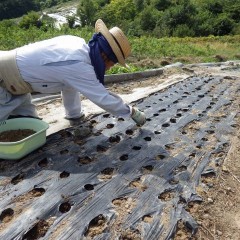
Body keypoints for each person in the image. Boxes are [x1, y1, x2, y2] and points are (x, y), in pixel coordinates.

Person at [0, 19, 146, 126]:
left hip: (17, 84)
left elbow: (68, 85)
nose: (110, 68)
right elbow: (102, 97)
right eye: (112, 63)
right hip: (4, 80)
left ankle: (73, 113)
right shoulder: (78, 65)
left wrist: (75, 117)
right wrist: (131, 112)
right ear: (105, 56)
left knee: (29, 124)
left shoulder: (76, 43)